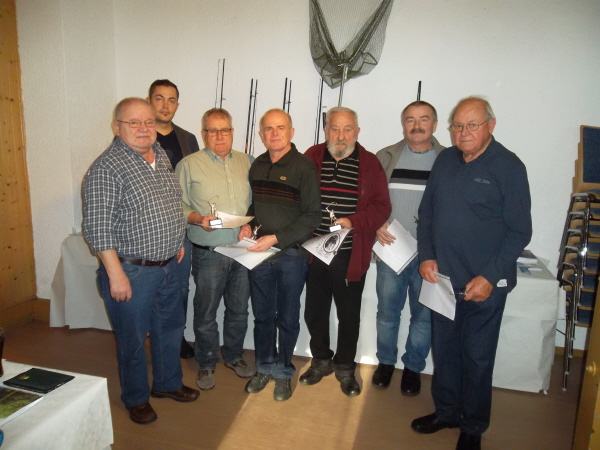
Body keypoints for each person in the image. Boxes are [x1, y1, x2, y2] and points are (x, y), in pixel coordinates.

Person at [411, 96, 532, 450]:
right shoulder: (446, 160)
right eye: (458, 126)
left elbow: (519, 231)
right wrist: (427, 256)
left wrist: (490, 276)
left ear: (490, 125)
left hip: (485, 285)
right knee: (445, 351)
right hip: (444, 281)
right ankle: (447, 412)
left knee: (477, 358)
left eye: (472, 125)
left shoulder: (509, 167)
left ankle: (473, 426)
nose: (463, 133)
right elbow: (427, 213)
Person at [83, 98, 200, 425]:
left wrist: (176, 241)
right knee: (132, 340)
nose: (143, 129)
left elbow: (172, 201)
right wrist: (115, 274)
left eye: (148, 122)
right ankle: (136, 398)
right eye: (133, 122)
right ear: (116, 126)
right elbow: (98, 228)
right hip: (131, 270)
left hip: (169, 264)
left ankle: (167, 383)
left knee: (169, 329)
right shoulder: (106, 168)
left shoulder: (159, 153)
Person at [301, 106, 391, 397]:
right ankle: (321, 360)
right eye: (335, 128)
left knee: (348, 316)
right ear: (326, 130)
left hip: (350, 255)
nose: (340, 135)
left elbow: (381, 207)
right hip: (315, 252)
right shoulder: (311, 156)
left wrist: (354, 221)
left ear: (357, 132)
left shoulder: (370, 163)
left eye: (347, 129)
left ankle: (345, 367)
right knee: (315, 312)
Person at [238, 109, 321, 401]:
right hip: (259, 255)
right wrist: (248, 224)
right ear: (262, 135)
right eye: (269, 129)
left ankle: (284, 371)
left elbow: (312, 215)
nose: (274, 134)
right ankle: (264, 367)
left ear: (291, 132)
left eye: (280, 128)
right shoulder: (258, 164)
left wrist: (276, 238)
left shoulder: (304, 167)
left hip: (291, 257)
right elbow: (255, 206)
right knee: (262, 316)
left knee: (287, 317)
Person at [176, 108, 255, 391]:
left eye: (225, 130)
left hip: (243, 249)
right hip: (208, 251)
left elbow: (257, 201)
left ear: (233, 132)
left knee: (239, 310)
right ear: (203, 133)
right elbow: (176, 204)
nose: (219, 136)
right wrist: (197, 219)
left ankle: (233, 356)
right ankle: (207, 361)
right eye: (213, 130)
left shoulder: (249, 162)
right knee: (206, 311)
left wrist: (252, 223)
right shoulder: (188, 165)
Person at [372, 101, 445, 395]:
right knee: (387, 313)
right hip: (391, 250)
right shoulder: (385, 157)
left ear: (435, 125)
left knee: (424, 317)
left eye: (424, 119)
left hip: (430, 256)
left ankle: (413, 368)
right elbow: (368, 199)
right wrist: (377, 223)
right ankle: (386, 362)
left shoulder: (449, 160)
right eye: (410, 120)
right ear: (403, 124)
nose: (417, 126)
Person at [148, 79, 200, 359]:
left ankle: (176, 338)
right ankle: (152, 337)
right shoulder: (138, 135)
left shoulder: (187, 139)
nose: (165, 105)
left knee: (179, 288)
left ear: (177, 105)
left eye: (171, 100)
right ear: (150, 101)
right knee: (149, 288)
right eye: (159, 98)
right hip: (146, 229)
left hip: (180, 228)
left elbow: (196, 180)